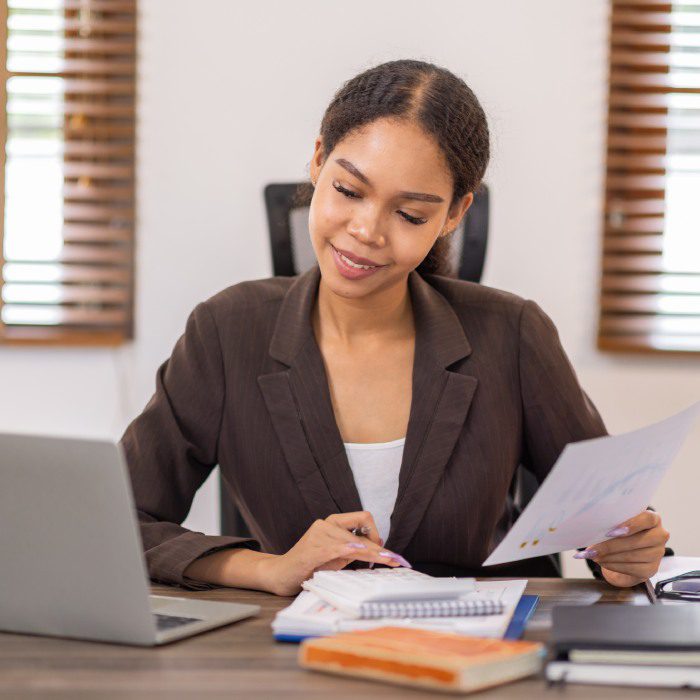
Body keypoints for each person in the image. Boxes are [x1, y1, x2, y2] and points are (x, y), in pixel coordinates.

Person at [120, 59, 670, 596]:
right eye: (348, 191)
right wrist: (270, 569)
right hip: (294, 664)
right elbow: (122, 521)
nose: (366, 231)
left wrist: (629, 554)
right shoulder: (227, 332)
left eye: (409, 215)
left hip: (480, 659)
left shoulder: (513, 334)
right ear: (318, 160)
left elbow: (611, 525)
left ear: (454, 214)